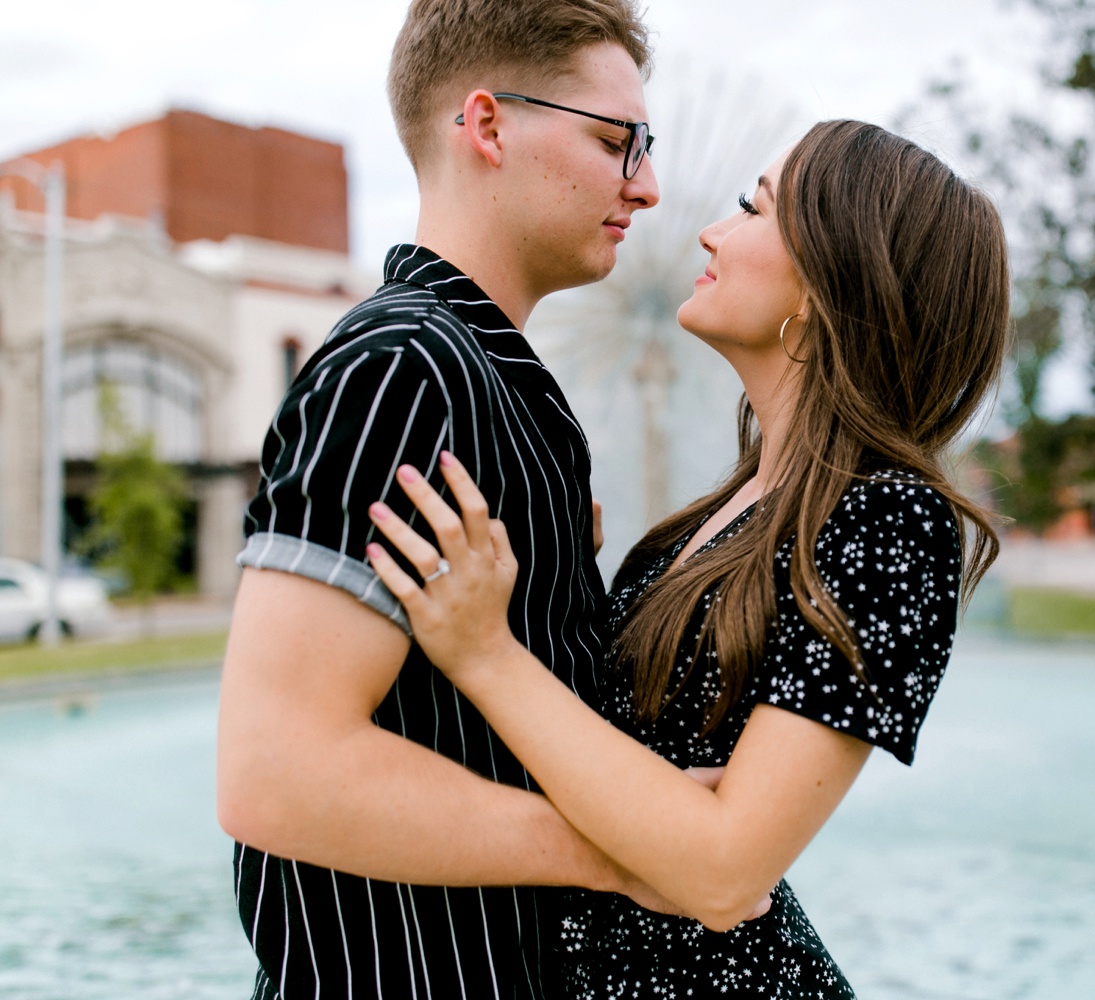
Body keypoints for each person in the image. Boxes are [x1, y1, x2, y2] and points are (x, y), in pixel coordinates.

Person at [364, 119, 1012, 997]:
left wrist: (483, 652)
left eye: (755, 209)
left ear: (827, 285)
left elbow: (722, 870)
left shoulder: (893, 520)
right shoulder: (708, 521)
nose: (711, 230)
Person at [213, 1, 690, 996]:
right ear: (488, 125)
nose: (644, 184)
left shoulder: (484, 382)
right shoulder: (403, 372)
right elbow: (276, 769)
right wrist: (624, 849)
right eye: (616, 142)